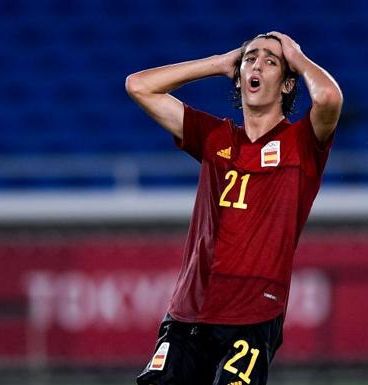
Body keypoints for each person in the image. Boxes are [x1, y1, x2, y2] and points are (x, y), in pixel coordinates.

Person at [125, 31, 342, 385]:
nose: (257, 64)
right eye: (250, 59)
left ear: (287, 85)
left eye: (270, 61)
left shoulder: (301, 145)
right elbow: (139, 86)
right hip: (188, 312)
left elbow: (330, 97)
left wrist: (298, 58)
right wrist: (218, 63)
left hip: (251, 315)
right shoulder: (215, 137)